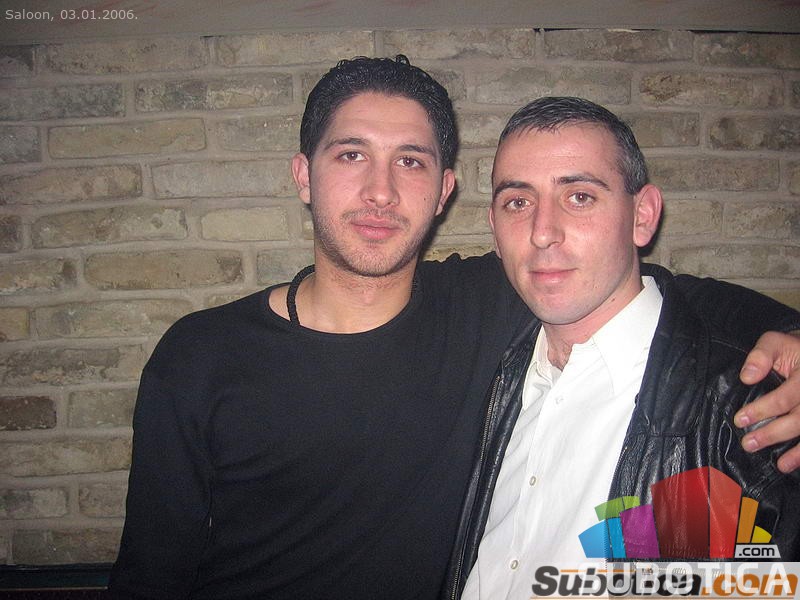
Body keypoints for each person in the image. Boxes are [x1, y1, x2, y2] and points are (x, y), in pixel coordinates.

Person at [109, 58, 800, 600]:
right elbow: (149, 575)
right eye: (351, 155)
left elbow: (653, 286)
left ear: (443, 190)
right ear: (303, 177)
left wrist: (788, 332)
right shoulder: (201, 356)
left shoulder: (485, 305)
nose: (381, 191)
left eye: (410, 161)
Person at [447, 97, 800, 600]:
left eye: (580, 197)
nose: (542, 233)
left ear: (642, 216)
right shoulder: (486, 364)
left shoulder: (747, 405)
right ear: (495, 230)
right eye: (518, 202)